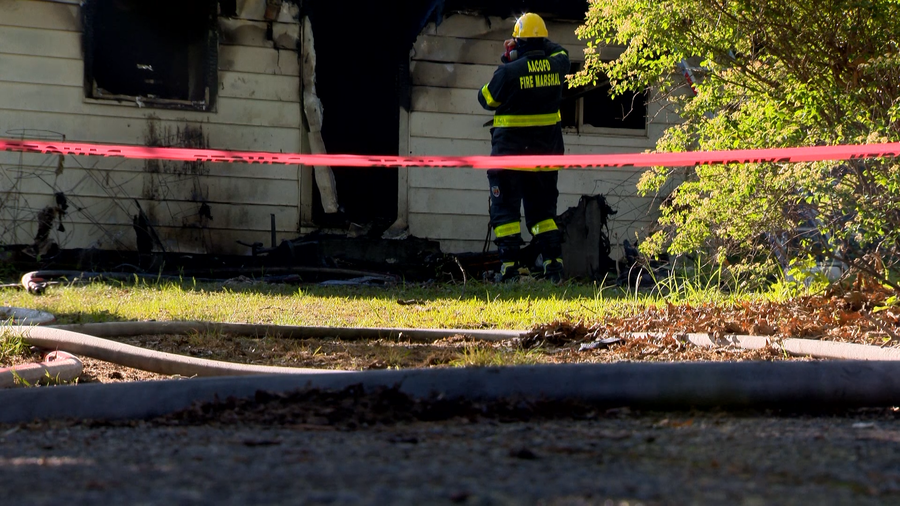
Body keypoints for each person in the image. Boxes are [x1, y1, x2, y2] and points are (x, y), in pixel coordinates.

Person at [477, 12, 569, 283]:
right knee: (543, 213)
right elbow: (559, 50)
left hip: (509, 156)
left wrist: (510, 58)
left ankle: (510, 270)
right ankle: (553, 266)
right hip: (545, 154)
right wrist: (537, 46)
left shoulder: (508, 71)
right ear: (542, 41)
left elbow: (486, 99)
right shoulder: (557, 65)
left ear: (518, 43)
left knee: (505, 212)